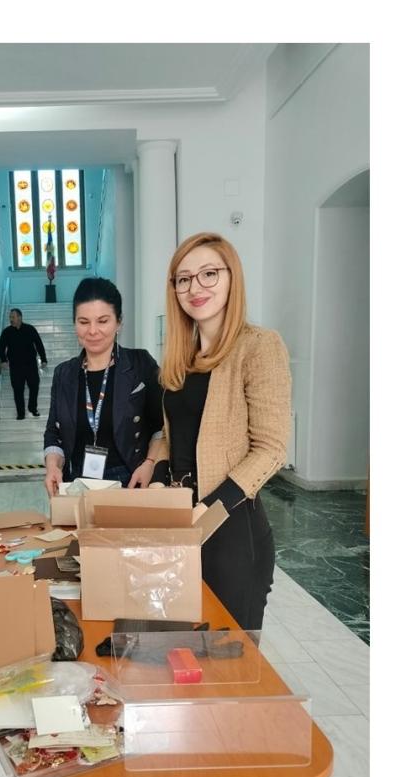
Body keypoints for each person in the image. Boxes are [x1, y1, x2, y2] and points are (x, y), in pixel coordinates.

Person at [146, 233, 291, 631]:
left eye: (209, 274)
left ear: (232, 278)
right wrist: (159, 479)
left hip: (231, 528)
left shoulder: (259, 346)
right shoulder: (182, 358)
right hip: (181, 521)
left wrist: (207, 509)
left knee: (228, 656)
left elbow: (271, 449)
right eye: (184, 279)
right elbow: (171, 436)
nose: (196, 287)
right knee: (177, 648)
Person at [43, 277, 163, 496]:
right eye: (83, 322)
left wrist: (150, 463)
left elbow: (161, 425)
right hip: (77, 481)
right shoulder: (64, 373)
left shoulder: (140, 364)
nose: (93, 331)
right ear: (74, 323)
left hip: (130, 478)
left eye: (103, 321)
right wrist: (53, 466)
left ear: (119, 322)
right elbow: (54, 433)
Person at [0, 307, 47, 419]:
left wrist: (43, 359)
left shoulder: (30, 329)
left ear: (20, 317)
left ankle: (32, 408)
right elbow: (1, 346)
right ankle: (20, 413)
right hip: (15, 366)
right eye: (10, 317)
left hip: (30, 364)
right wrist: (3, 360)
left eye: (13, 317)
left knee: (34, 385)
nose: (11, 319)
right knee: (17, 389)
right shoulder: (7, 332)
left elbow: (38, 344)